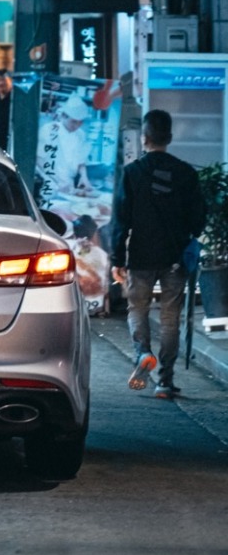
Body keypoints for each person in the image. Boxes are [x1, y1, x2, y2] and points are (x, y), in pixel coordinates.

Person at [110, 109, 206, 399]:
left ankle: (142, 354)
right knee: (169, 318)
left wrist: (117, 260)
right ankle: (165, 381)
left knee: (137, 309)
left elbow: (121, 220)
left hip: (140, 256)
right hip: (175, 257)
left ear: (145, 138)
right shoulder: (186, 173)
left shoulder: (132, 173)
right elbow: (199, 219)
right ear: (170, 138)